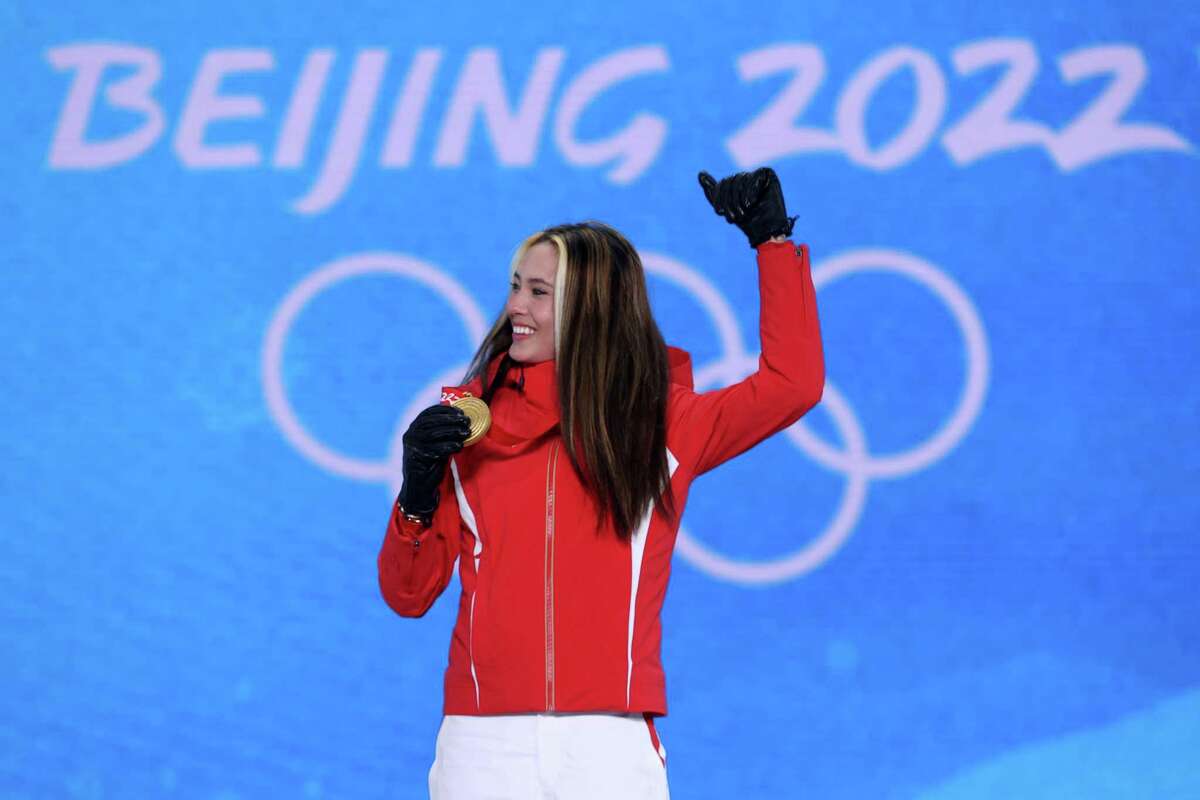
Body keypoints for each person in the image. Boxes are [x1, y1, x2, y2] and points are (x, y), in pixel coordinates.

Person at [377, 167, 825, 799]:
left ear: (590, 308)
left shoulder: (663, 426)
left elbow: (793, 383)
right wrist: (416, 496)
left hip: (608, 746)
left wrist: (772, 243)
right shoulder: (467, 428)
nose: (515, 308)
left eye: (538, 292)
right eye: (515, 287)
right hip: (481, 743)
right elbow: (409, 594)